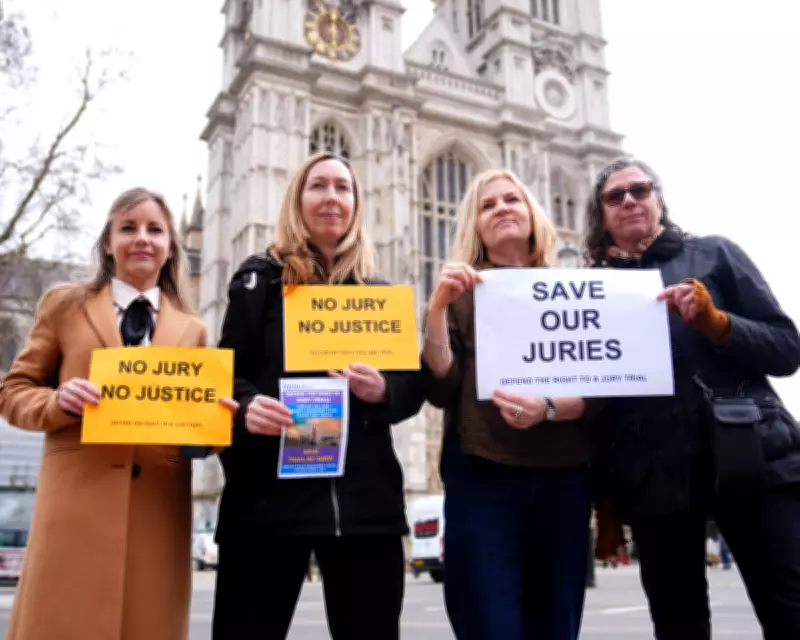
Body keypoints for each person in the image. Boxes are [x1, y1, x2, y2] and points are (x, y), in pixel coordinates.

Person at [0, 188, 237, 640]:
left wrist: (213, 429)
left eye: (155, 230)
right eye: (128, 228)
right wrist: (56, 402)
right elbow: (13, 392)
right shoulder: (65, 305)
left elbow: (190, 431)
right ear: (108, 242)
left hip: (158, 512)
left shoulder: (193, 330)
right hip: (75, 508)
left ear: (172, 247)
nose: (142, 238)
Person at [211, 152, 424, 640]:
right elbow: (225, 372)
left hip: (363, 507)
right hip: (268, 504)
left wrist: (383, 388)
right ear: (296, 200)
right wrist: (247, 407)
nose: (332, 197)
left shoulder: (378, 293)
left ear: (356, 205)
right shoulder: (259, 279)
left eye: (343, 188)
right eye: (319, 186)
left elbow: (413, 389)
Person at [586, 156, 800, 640]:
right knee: (678, 623)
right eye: (614, 196)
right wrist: (606, 505)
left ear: (659, 200)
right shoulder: (591, 290)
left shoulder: (714, 254)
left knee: (789, 609)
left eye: (640, 190)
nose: (629, 201)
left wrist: (717, 323)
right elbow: (599, 410)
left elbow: (786, 349)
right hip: (654, 476)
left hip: (751, 457)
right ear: (600, 216)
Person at [421, 168, 599, 640]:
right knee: (487, 619)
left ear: (531, 213)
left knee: (556, 621)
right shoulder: (461, 296)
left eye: (511, 200)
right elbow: (440, 389)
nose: (501, 208)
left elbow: (604, 394)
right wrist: (436, 310)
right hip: (482, 471)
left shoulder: (576, 290)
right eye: (487, 205)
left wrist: (549, 407)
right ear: (475, 227)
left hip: (563, 473)